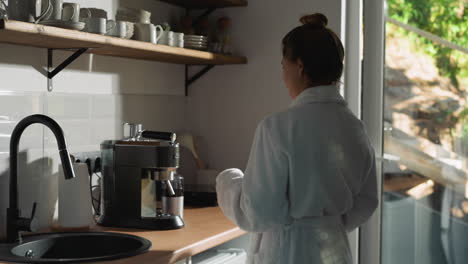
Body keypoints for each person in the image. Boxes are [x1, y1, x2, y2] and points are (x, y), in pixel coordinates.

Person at [216, 13, 378, 264]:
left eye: (283, 66)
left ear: (299, 66)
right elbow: (366, 202)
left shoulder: (277, 128)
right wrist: (327, 222)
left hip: (288, 253)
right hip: (336, 251)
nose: (283, 76)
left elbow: (258, 213)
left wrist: (228, 181)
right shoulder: (354, 127)